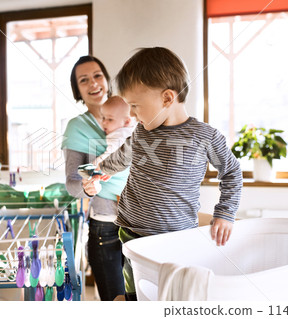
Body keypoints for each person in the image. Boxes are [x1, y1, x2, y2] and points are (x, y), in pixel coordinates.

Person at [83, 47, 243, 300]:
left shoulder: (204, 136)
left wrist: (225, 213)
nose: (132, 115)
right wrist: (100, 171)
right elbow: (122, 157)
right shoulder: (142, 132)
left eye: (135, 106)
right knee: (135, 292)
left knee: (171, 295)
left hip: (175, 239)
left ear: (167, 98)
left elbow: (232, 173)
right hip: (131, 232)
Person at [61, 56, 128, 301]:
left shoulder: (130, 113)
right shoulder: (76, 128)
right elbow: (71, 182)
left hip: (141, 222)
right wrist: (88, 188)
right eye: (84, 79)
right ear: (77, 89)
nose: (93, 83)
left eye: (97, 75)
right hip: (106, 225)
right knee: (115, 301)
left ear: (107, 79)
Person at [94, 95, 135, 166]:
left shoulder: (117, 136)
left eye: (110, 119)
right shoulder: (131, 129)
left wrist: (95, 164)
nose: (104, 122)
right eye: (103, 118)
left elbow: (110, 155)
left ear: (126, 122)